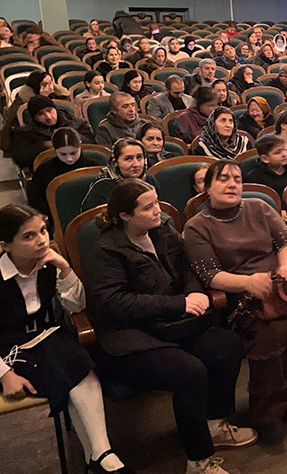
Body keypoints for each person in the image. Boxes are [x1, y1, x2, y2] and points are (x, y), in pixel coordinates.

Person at [87, 180, 255, 474]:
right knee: (189, 372)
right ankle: (198, 461)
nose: (158, 210)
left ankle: (213, 424)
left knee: (227, 346)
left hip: (174, 325)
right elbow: (114, 303)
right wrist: (179, 303)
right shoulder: (107, 250)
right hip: (132, 335)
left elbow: (187, 268)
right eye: (148, 207)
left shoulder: (162, 230)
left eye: (157, 202)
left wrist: (195, 294)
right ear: (125, 215)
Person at [183, 160, 287, 433]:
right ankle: (271, 411)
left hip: (281, 287)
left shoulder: (258, 207)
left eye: (237, 179)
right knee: (272, 332)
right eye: (223, 179)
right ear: (208, 188)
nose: (232, 184)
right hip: (242, 297)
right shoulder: (197, 226)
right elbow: (209, 275)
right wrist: (247, 283)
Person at [0, 205, 130, 474]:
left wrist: (65, 267)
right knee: (68, 369)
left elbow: (76, 306)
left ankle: (100, 454)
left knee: (77, 359)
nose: (41, 240)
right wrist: (5, 375)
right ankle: (100, 458)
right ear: (5, 245)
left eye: (43, 231)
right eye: (28, 236)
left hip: (44, 336)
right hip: (7, 349)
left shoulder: (49, 263)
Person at [27, 127, 103, 219]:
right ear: (55, 150)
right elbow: (37, 202)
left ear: (80, 145)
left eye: (73, 153)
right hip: (56, 218)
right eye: (63, 154)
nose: (69, 158)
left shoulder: (93, 167)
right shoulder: (44, 171)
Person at [11, 95, 94, 169]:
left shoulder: (77, 123)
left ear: (55, 109)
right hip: (47, 172)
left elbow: (93, 146)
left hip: (82, 167)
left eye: (49, 110)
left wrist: (70, 137)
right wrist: (45, 145)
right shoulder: (25, 133)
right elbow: (21, 158)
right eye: (40, 114)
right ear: (34, 117)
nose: (48, 117)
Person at [2, 70, 70, 153]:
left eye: (50, 83)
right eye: (44, 85)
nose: (50, 87)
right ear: (36, 86)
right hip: (37, 139)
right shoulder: (22, 101)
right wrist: (43, 97)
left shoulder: (60, 96)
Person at [82, 139, 159, 212]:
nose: (136, 164)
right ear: (116, 162)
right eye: (128, 159)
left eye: (139, 157)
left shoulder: (149, 181)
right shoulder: (103, 186)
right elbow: (94, 218)